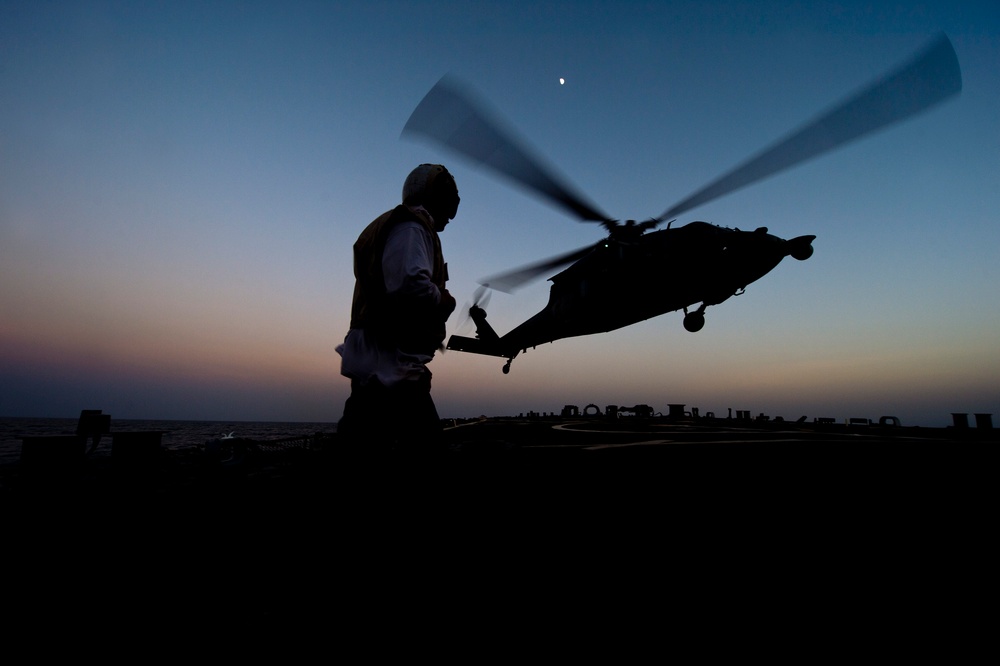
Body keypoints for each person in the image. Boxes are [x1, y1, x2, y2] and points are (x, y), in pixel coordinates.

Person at [335, 164, 459, 456]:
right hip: (391, 362)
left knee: (362, 440)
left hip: (381, 355)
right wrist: (443, 300)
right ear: (438, 197)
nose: (452, 214)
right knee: (426, 450)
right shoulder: (413, 227)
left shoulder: (392, 224)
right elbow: (407, 283)